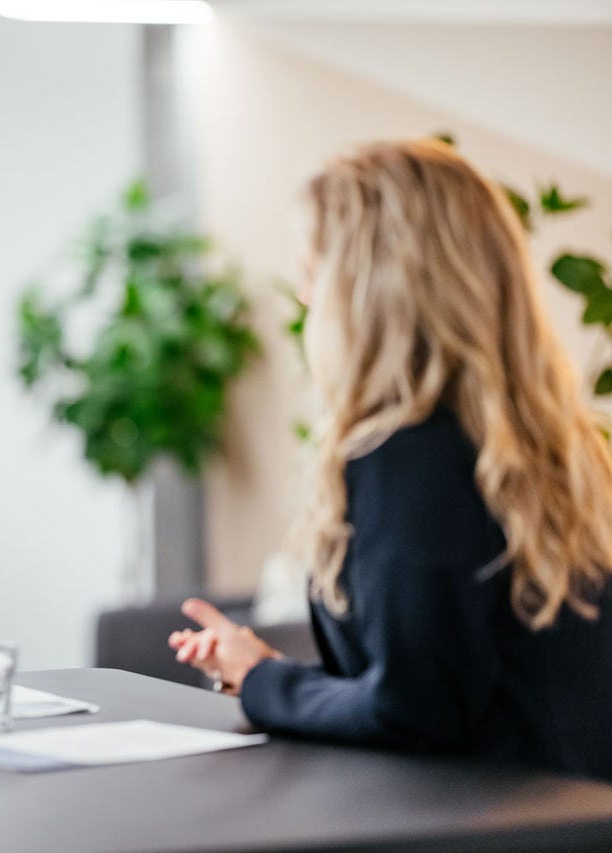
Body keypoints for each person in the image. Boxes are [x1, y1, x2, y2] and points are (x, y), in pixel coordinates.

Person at [169, 139, 612, 780]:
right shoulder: (553, 448)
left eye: (314, 270)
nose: (302, 296)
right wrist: (274, 674)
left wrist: (265, 681)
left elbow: (417, 713)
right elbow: (465, 685)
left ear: (369, 287)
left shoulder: (410, 453)